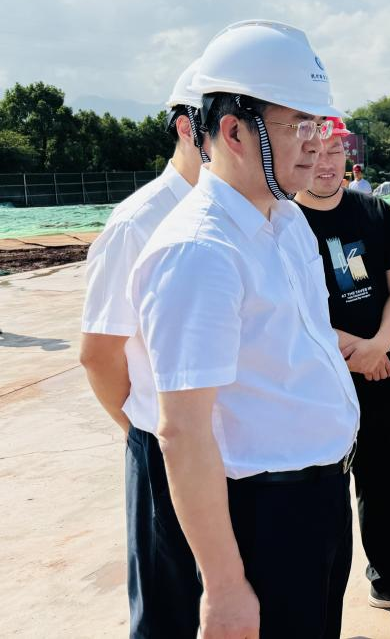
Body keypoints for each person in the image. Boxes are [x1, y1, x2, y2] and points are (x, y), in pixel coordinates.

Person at [129, 20, 359, 639]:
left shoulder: (286, 221)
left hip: (319, 498)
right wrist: (225, 587)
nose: (315, 144)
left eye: (319, 126)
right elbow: (183, 431)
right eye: (298, 126)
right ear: (232, 131)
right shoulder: (200, 252)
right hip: (263, 517)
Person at [79, 59, 208, 638]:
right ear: (187, 128)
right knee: (167, 606)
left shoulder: (254, 212)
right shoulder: (140, 221)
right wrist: (142, 429)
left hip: (230, 444)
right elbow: (99, 352)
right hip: (163, 441)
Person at [295, 117, 390, 618]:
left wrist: (378, 347)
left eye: (335, 151)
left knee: (380, 480)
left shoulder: (375, 211)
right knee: (321, 490)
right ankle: (317, 598)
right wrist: (358, 353)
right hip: (317, 381)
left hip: (381, 373)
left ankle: (388, 577)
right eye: (315, 152)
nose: (326, 163)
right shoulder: (285, 223)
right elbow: (294, 310)